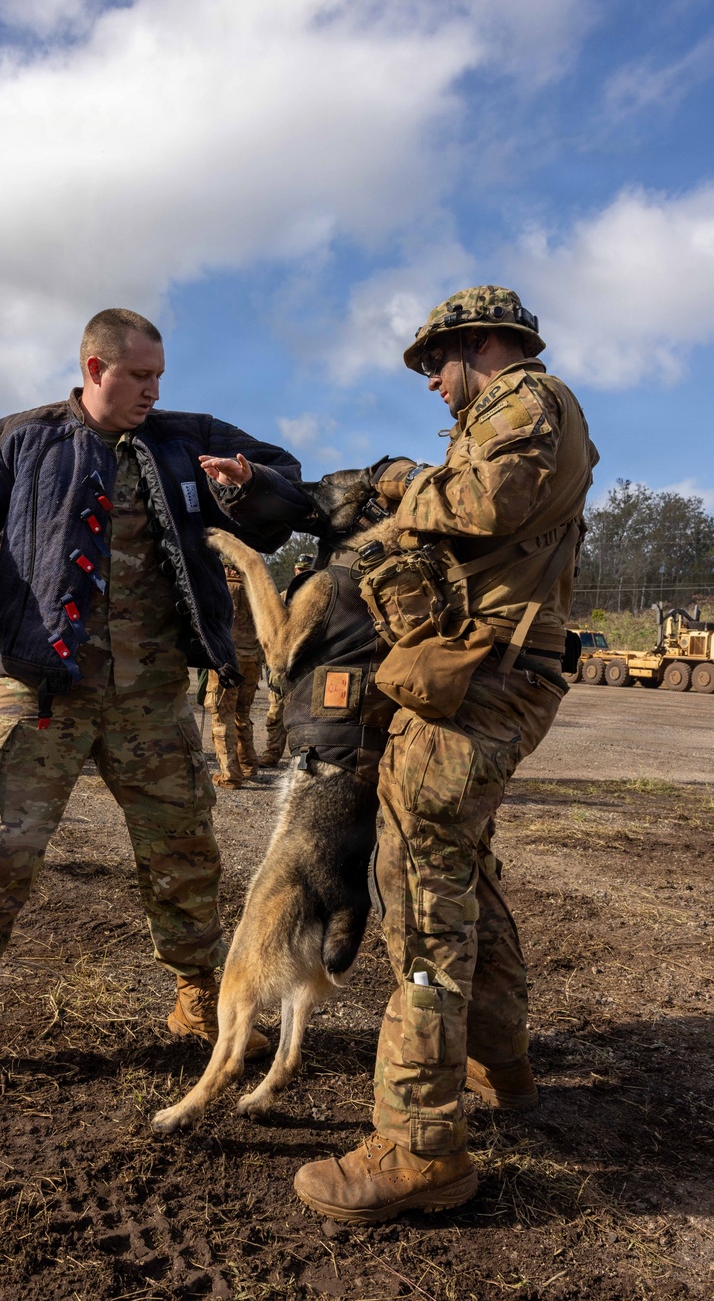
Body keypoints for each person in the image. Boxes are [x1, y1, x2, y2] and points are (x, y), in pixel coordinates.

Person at [0, 307, 307, 1105]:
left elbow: (285, 480)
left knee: (185, 849)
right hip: (42, 690)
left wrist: (249, 485)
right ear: (93, 368)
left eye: (160, 376)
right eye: (138, 376)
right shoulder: (23, 440)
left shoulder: (186, 440)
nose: (153, 391)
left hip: (154, 696)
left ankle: (196, 994)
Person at [243, 286, 597, 1222]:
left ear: (479, 343)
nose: (433, 383)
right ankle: (500, 1061)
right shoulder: (513, 412)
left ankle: (419, 1145)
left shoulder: (524, 397)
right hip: (489, 672)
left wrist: (401, 483)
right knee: (462, 868)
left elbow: (487, 500)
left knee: (421, 895)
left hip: (480, 680)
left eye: (436, 363)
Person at [207, 563, 263, 788]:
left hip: (227, 661)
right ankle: (248, 764)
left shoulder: (219, 587)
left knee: (222, 716)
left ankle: (230, 774)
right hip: (252, 660)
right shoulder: (256, 588)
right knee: (242, 714)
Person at [259, 553, 315, 768]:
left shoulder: (321, 597)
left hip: (308, 666)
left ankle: (303, 756)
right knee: (275, 713)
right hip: (282, 668)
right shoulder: (283, 597)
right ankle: (272, 753)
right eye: (300, 570)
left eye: (307, 570)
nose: (303, 573)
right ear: (295, 570)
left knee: (306, 714)